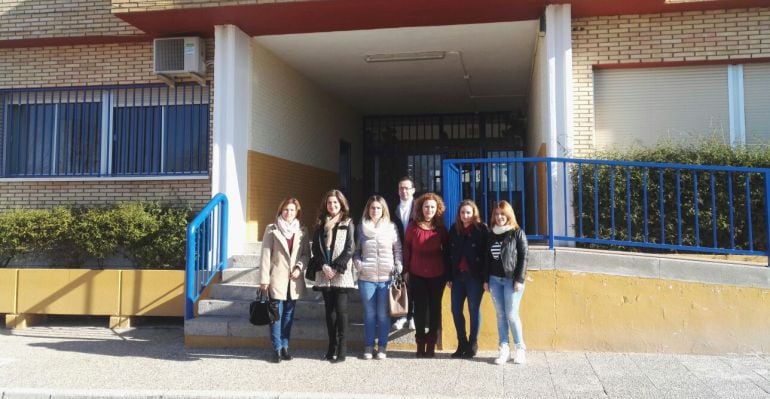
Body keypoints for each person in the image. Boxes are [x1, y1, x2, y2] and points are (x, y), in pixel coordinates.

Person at [258, 198, 310, 363]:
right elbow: (265, 256)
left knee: (288, 315)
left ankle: (286, 346)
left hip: (293, 280)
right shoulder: (271, 229)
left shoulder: (302, 231)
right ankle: (277, 349)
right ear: (281, 211)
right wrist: (264, 280)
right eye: (286, 210)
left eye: (292, 210)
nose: (289, 213)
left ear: (297, 212)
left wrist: (299, 267)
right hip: (276, 279)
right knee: (275, 315)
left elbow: (306, 254)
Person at [308, 189, 356, 363]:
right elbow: (315, 249)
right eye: (329, 203)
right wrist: (324, 266)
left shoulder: (348, 222)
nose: (332, 205)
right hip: (324, 273)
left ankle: (342, 350)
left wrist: (335, 268)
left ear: (341, 204)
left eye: (335, 202)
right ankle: (331, 347)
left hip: (340, 273)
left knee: (341, 312)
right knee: (330, 313)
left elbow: (350, 248)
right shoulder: (321, 224)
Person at [353, 195, 402, 360]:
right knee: (369, 313)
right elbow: (356, 252)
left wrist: (398, 265)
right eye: (372, 208)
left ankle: (382, 347)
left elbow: (398, 250)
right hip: (366, 278)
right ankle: (368, 346)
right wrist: (359, 265)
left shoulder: (391, 227)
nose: (375, 211)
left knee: (382, 314)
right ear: (368, 209)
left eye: (378, 208)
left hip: (386, 278)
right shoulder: (361, 228)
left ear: (383, 210)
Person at [403, 192, 448, 358]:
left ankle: (431, 345)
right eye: (426, 206)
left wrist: (448, 275)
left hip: (437, 274)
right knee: (420, 310)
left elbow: (447, 251)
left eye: (432, 207)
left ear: (437, 209)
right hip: (417, 273)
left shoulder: (441, 229)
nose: (429, 209)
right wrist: (406, 270)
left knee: (435, 310)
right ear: (421, 208)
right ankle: (420, 345)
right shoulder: (412, 227)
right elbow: (406, 249)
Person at [485, 200, 529, 365]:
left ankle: (520, 348)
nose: (499, 217)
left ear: (509, 215)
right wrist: (485, 280)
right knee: (500, 315)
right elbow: (486, 259)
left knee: (511, 314)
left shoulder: (517, 232)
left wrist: (519, 278)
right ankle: (503, 348)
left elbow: (524, 256)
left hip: (512, 280)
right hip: (494, 280)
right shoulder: (491, 234)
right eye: (496, 214)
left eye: (502, 214)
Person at [447, 200, 488, 359]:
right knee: (456, 310)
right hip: (457, 276)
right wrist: (449, 276)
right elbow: (449, 255)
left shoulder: (481, 229)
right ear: (459, 214)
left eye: (468, 213)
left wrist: (485, 278)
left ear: (474, 213)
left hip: (475, 277)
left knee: (473, 309)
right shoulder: (454, 229)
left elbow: (486, 256)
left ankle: (472, 343)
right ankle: (461, 344)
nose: (465, 216)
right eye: (463, 213)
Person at [391, 176, 416, 331]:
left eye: (407, 188)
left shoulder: (419, 207)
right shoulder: (392, 208)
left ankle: (412, 316)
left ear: (413, 190)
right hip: (398, 250)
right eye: (401, 188)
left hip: (415, 251)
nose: (404, 191)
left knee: (414, 284)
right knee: (399, 283)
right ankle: (401, 316)